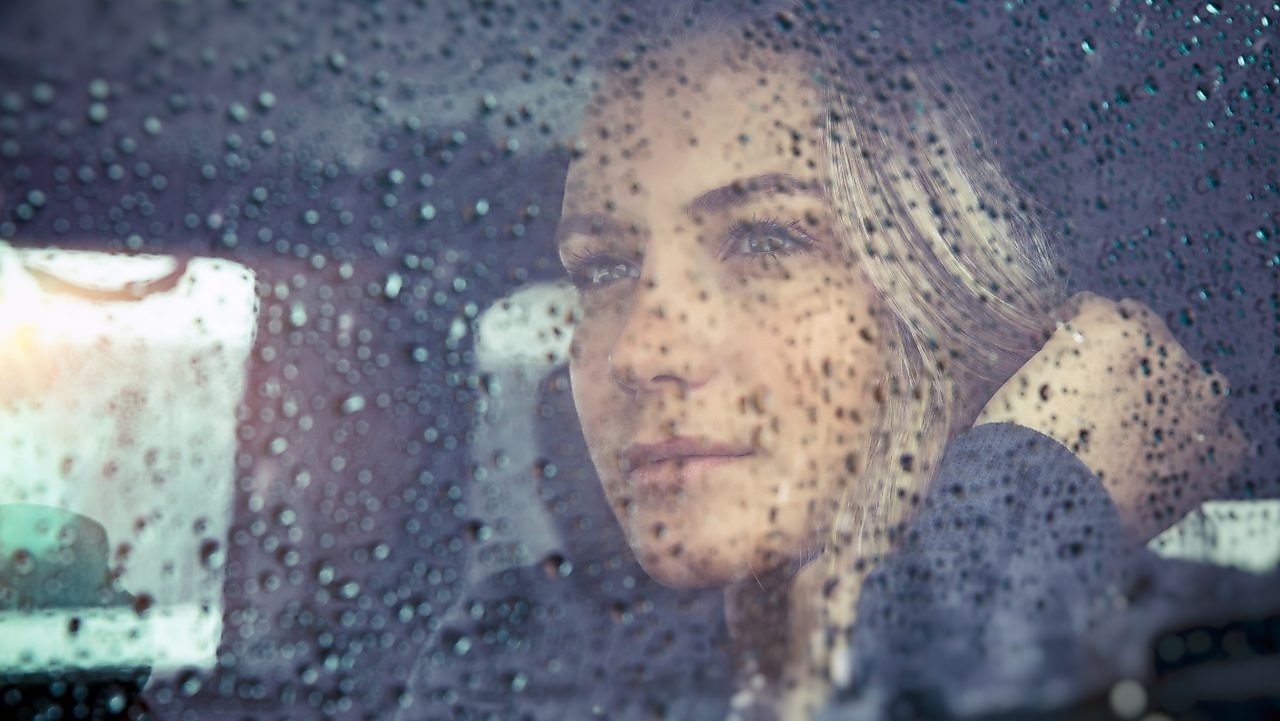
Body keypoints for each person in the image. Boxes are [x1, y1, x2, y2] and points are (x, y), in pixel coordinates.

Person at [554, 2, 1255, 718]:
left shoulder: (1217, 666)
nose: (640, 351)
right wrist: (1027, 509)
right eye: (604, 268)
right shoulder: (516, 658)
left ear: (960, 288)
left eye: (767, 240)